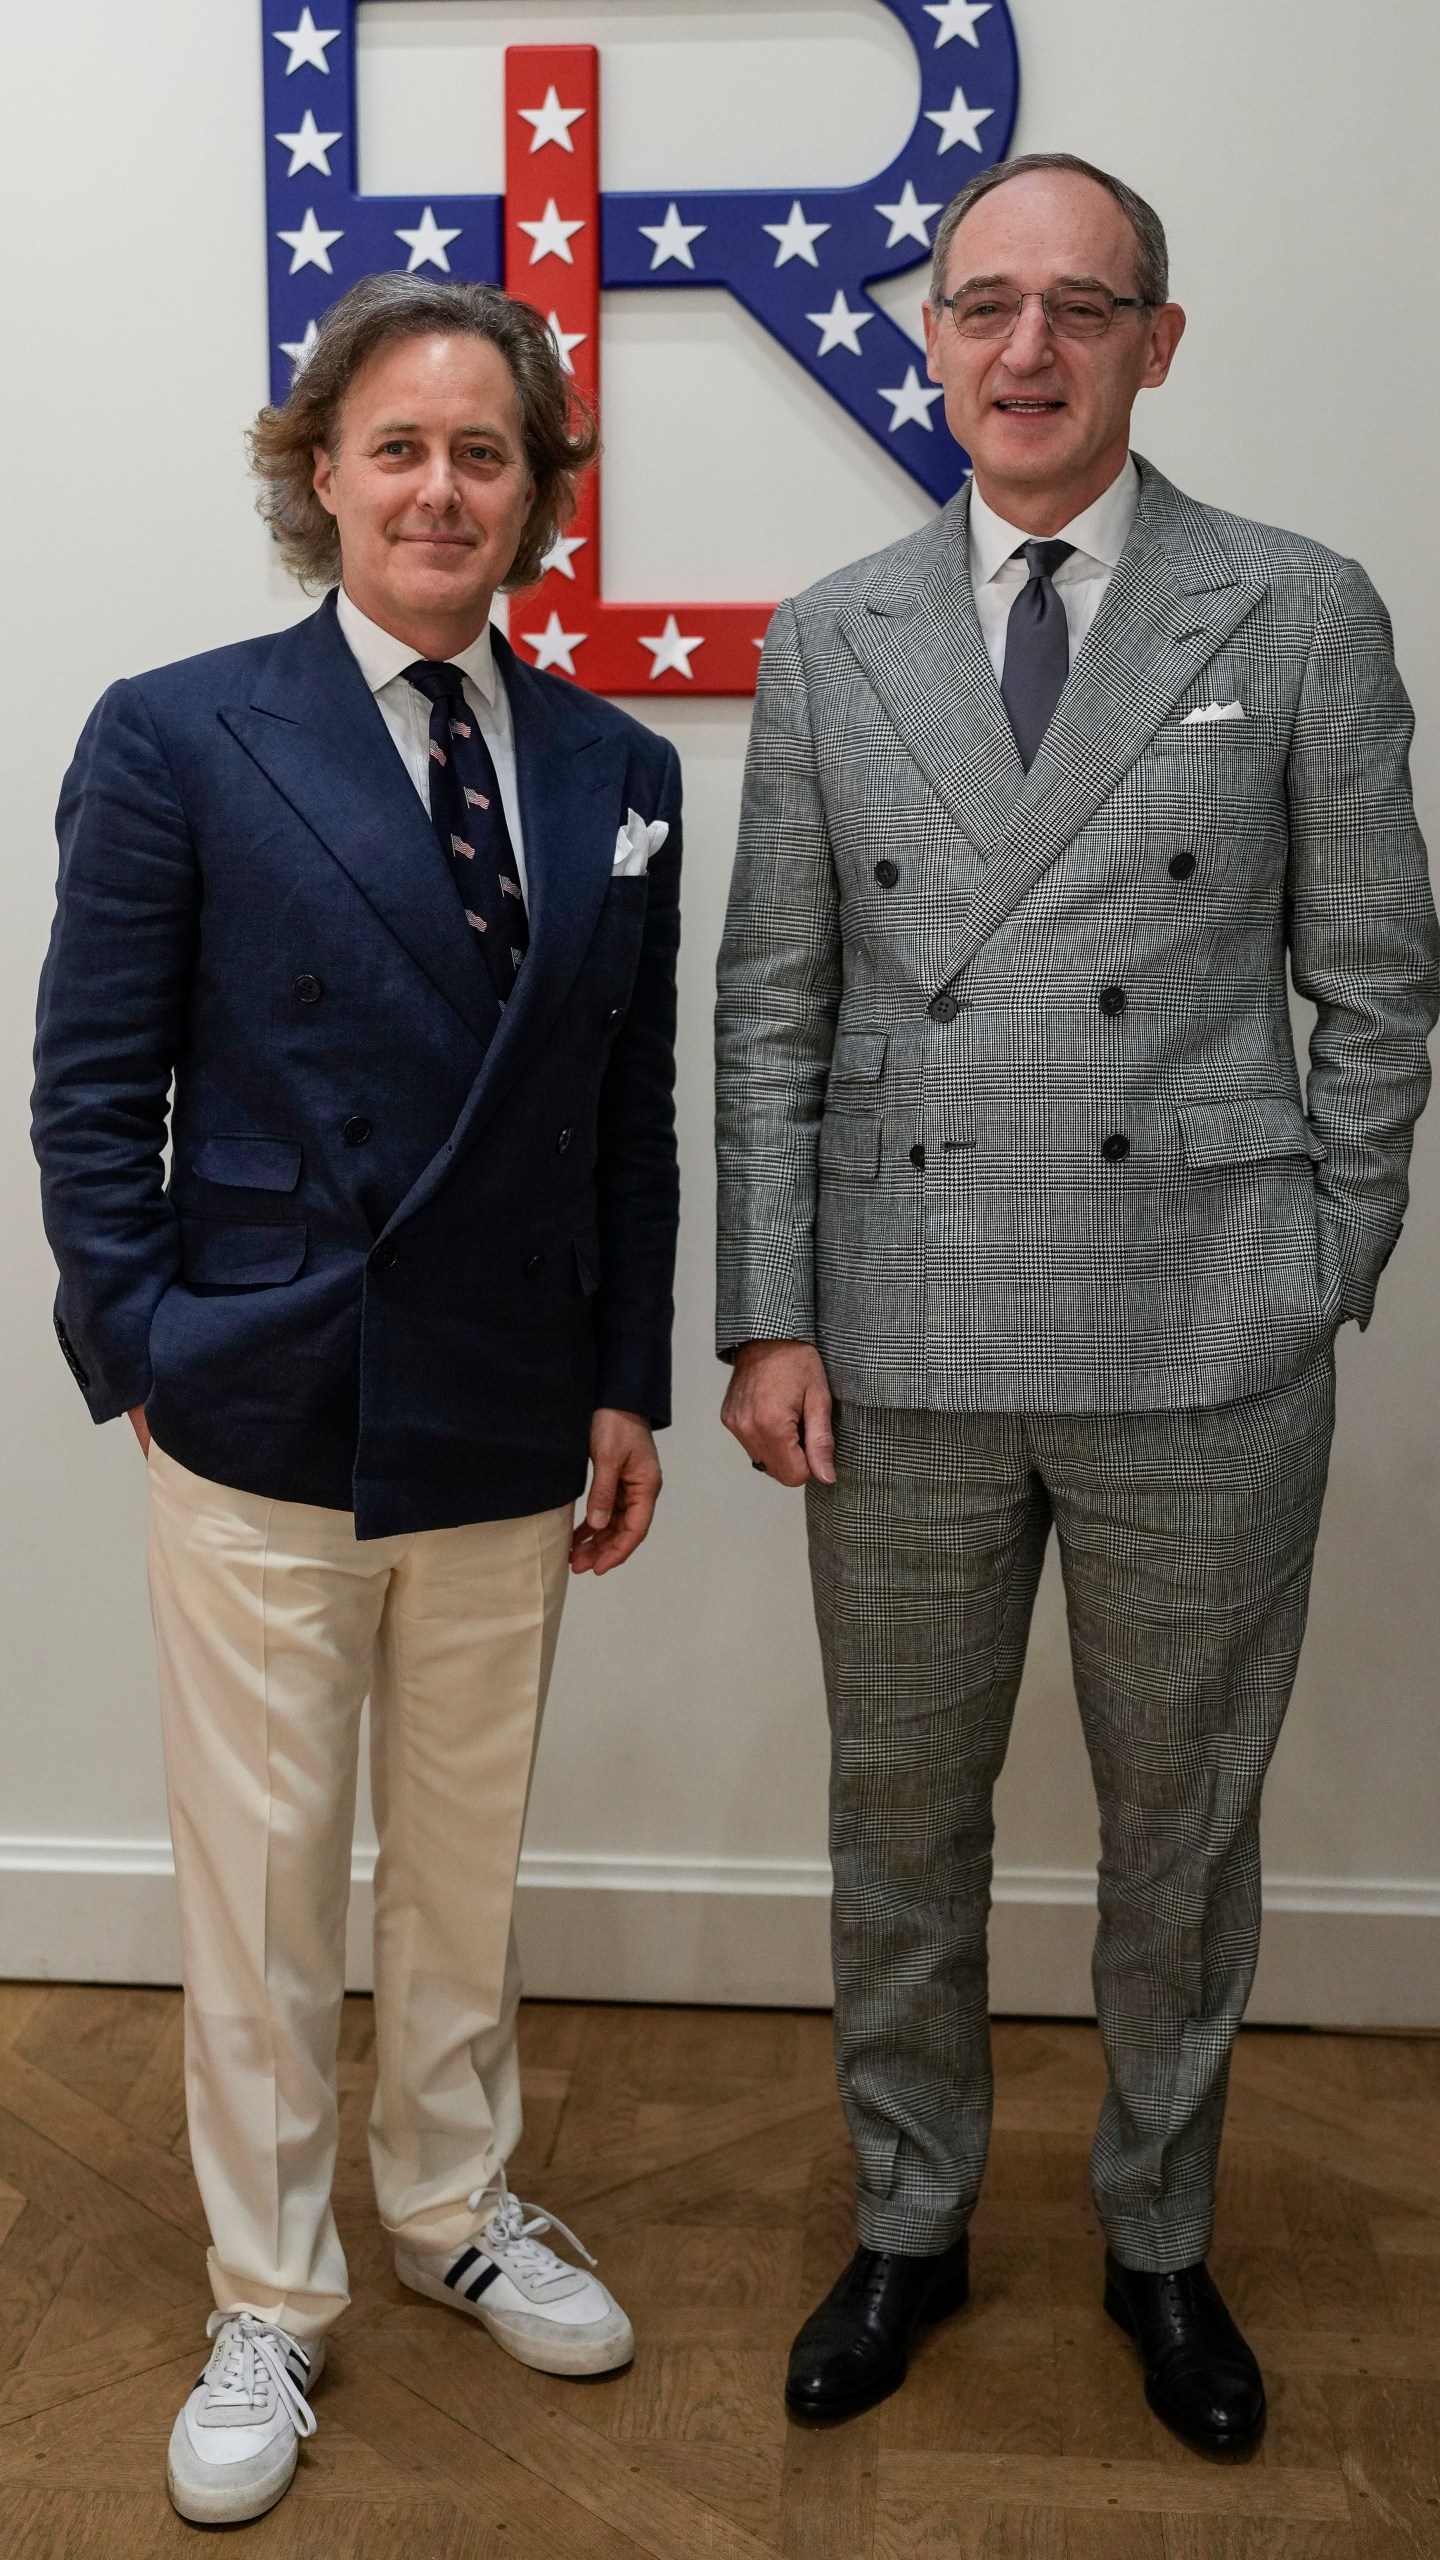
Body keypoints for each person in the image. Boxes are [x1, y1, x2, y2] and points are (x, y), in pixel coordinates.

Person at [715, 153, 1437, 2452]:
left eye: (1083, 308)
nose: (1028, 349)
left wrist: (1323, 1259)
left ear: (1158, 341)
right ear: (935, 335)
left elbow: (1380, 978)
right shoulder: (830, 630)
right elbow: (773, 1007)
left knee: (1180, 1826)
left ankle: (1159, 2237)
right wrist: (767, 1312)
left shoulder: (1297, 609)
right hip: (903, 1330)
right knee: (899, 1814)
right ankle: (912, 2218)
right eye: (986, 303)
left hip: (1205, 1330)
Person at [32, 273, 682, 2527]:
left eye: (482, 452)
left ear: (536, 496)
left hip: (515, 1408)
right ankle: (271, 2291)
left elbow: (630, 1112)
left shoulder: (617, 767)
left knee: (462, 1873)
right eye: (396, 446)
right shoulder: (180, 730)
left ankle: (452, 2201)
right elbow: (92, 1084)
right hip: (268, 1405)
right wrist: (148, 1344)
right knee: (269, 1884)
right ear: (323, 474)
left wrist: (627, 1378)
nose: (439, 485)